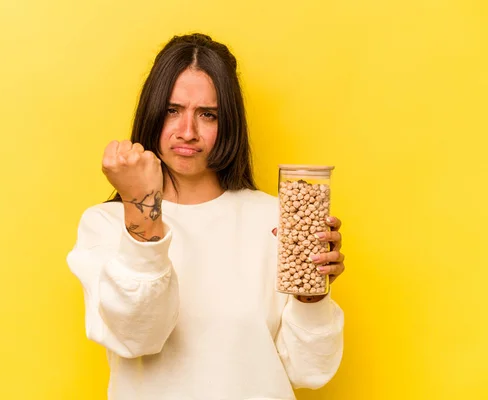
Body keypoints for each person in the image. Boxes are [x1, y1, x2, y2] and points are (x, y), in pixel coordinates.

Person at [67, 33, 345, 400]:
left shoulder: (274, 219)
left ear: (228, 122)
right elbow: (139, 335)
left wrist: (312, 293)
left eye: (207, 115)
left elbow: (309, 371)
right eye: (172, 110)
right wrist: (141, 203)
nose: (187, 132)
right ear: (152, 114)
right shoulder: (106, 225)